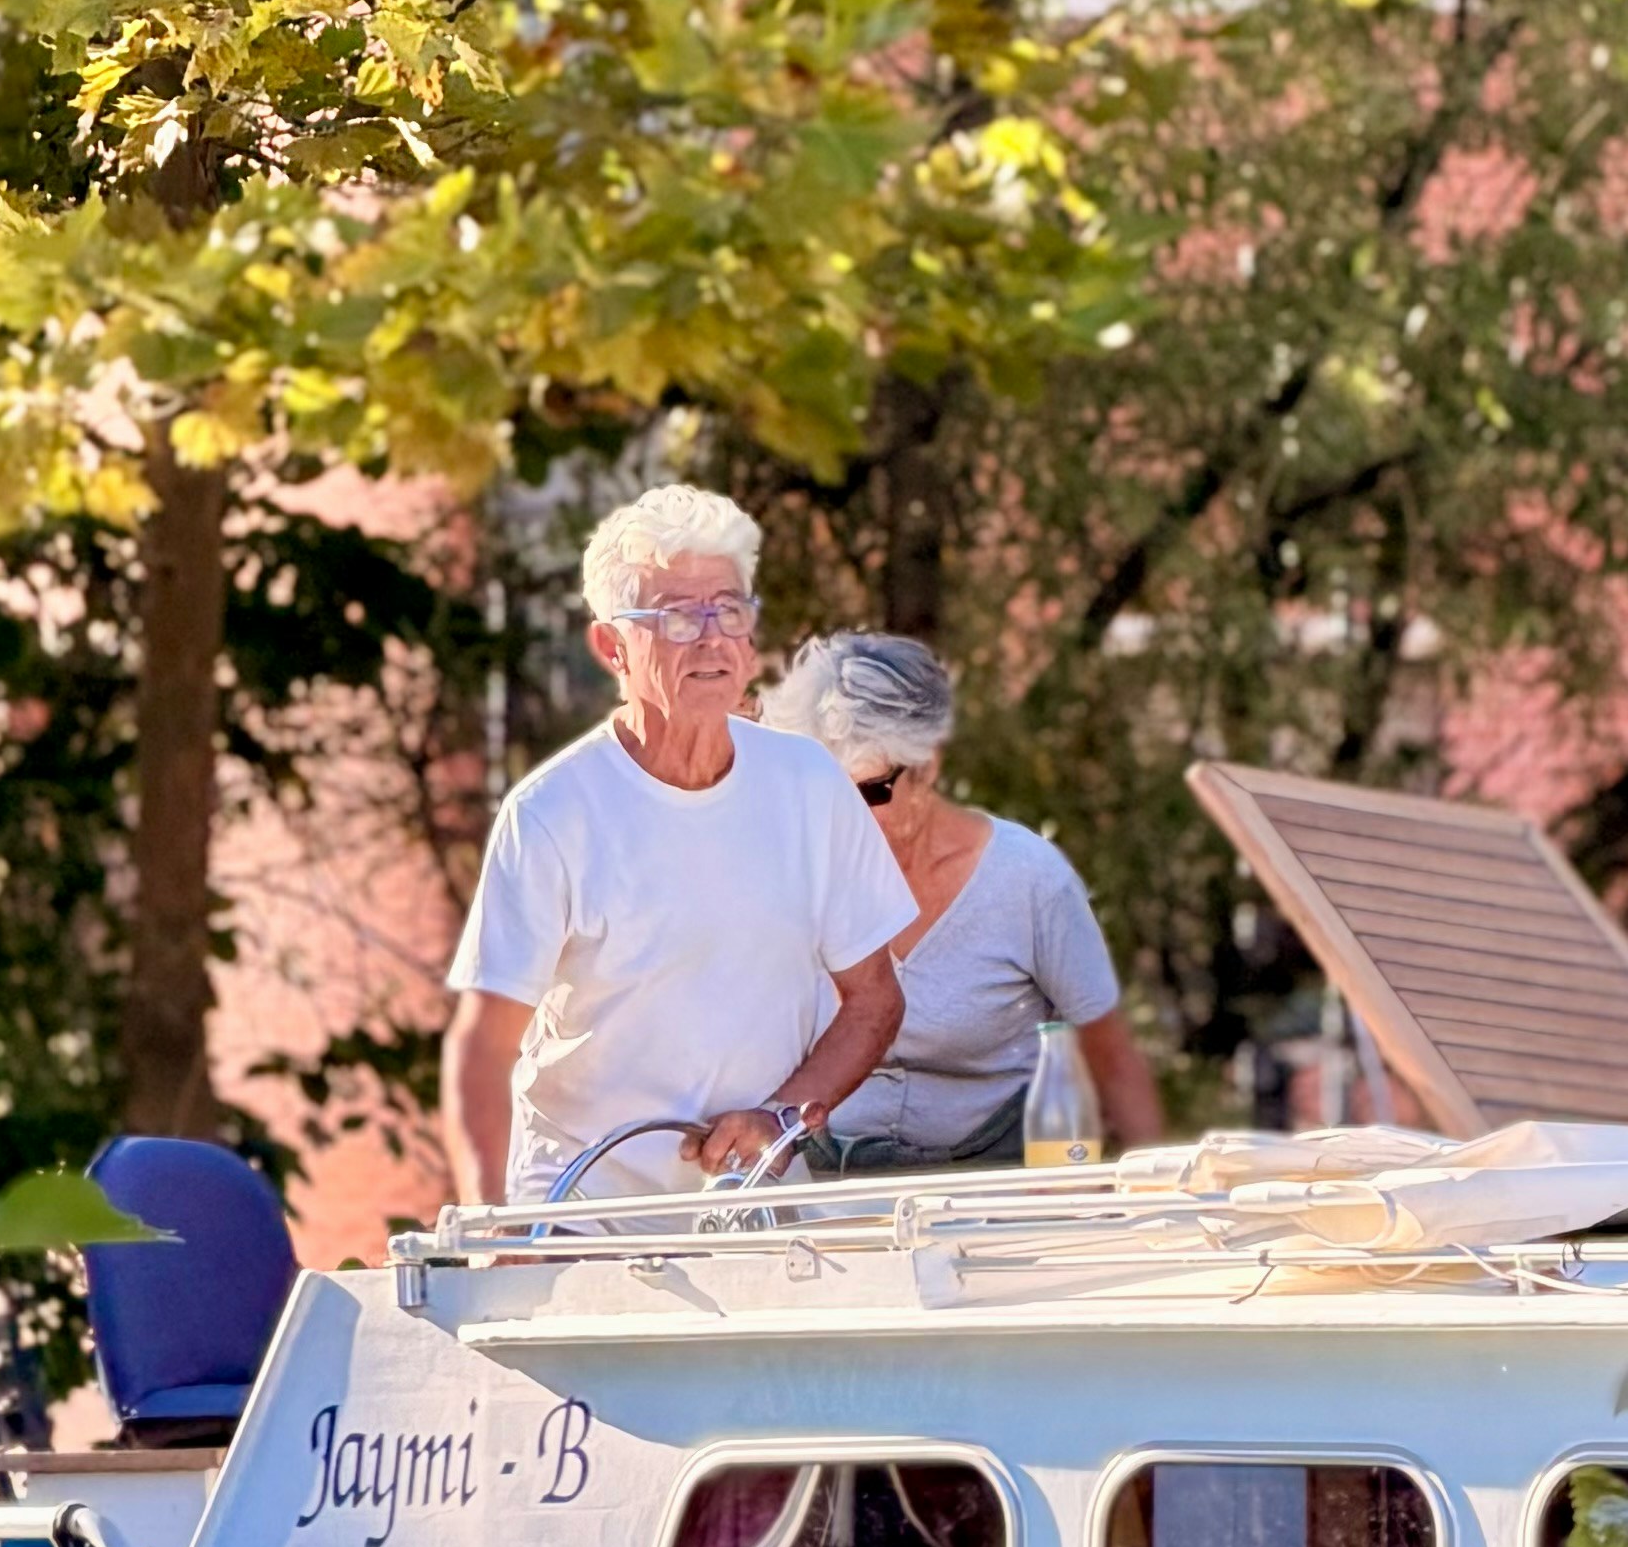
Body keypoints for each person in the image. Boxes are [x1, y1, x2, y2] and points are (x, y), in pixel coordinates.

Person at [441, 496, 918, 1199]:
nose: (711, 638)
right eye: (676, 616)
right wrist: (493, 1233)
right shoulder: (551, 815)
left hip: (753, 1203)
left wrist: (780, 1118)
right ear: (611, 649)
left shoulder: (809, 784)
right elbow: (482, 1049)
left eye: (728, 609)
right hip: (584, 1212)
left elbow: (874, 1000)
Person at [756, 633, 1165, 1170]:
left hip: (994, 1196)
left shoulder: (1029, 880)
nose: (841, 819)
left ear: (926, 767)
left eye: (866, 792)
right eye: (821, 795)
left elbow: (1110, 1058)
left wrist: (1155, 1209)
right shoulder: (789, 880)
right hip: (831, 1194)